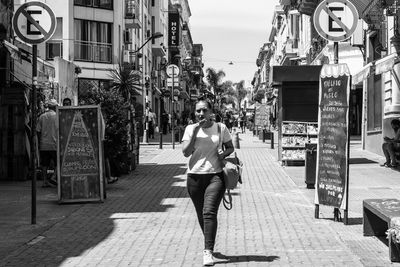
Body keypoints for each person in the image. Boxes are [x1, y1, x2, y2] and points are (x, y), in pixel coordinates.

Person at [181, 99, 234, 266]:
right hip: (194, 177)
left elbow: (230, 147)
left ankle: (208, 251)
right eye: (198, 111)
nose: (201, 114)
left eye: (204, 110)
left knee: (209, 212)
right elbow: (185, 152)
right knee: (201, 214)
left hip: (215, 176)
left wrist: (222, 155)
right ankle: (209, 241)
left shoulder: (220, 128)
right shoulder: (190, 129)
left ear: (211, 111)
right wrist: (196, 131)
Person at [37, 99, 58, 187]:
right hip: (55, 144)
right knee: (58, 162)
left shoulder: (42, 116)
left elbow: (38, 131)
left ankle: (45, 181)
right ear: (55, 107)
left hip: (44, 144)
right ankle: (54, 177)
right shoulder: (57, 116)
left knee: (44, 164)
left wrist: (39, 142)